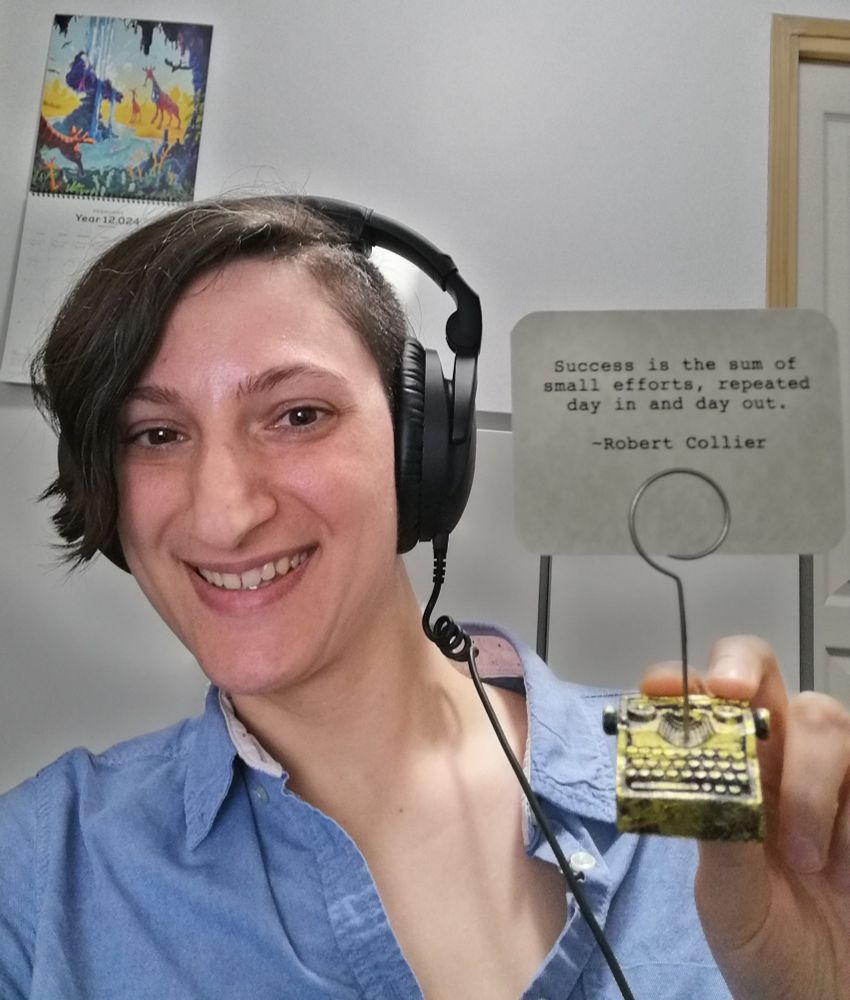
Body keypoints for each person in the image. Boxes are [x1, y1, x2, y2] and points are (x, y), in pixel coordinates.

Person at [0, 196, 847, 1000]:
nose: (224, 514)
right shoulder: (45, 864)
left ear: (421, 450)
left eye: (297, 415)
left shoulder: (703, 771)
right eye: (156, 434)